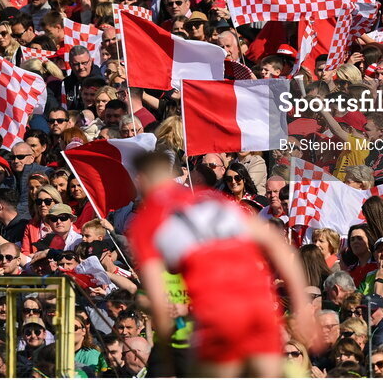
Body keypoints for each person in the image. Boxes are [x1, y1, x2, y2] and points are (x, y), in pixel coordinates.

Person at [129, 152, 315, 376]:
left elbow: (158, 302)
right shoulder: (212, 202)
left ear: (141, 179)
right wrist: (302, 303)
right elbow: (276, 244)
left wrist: (167, 360)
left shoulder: (148, 222)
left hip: (218, 312)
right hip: (257, 300)